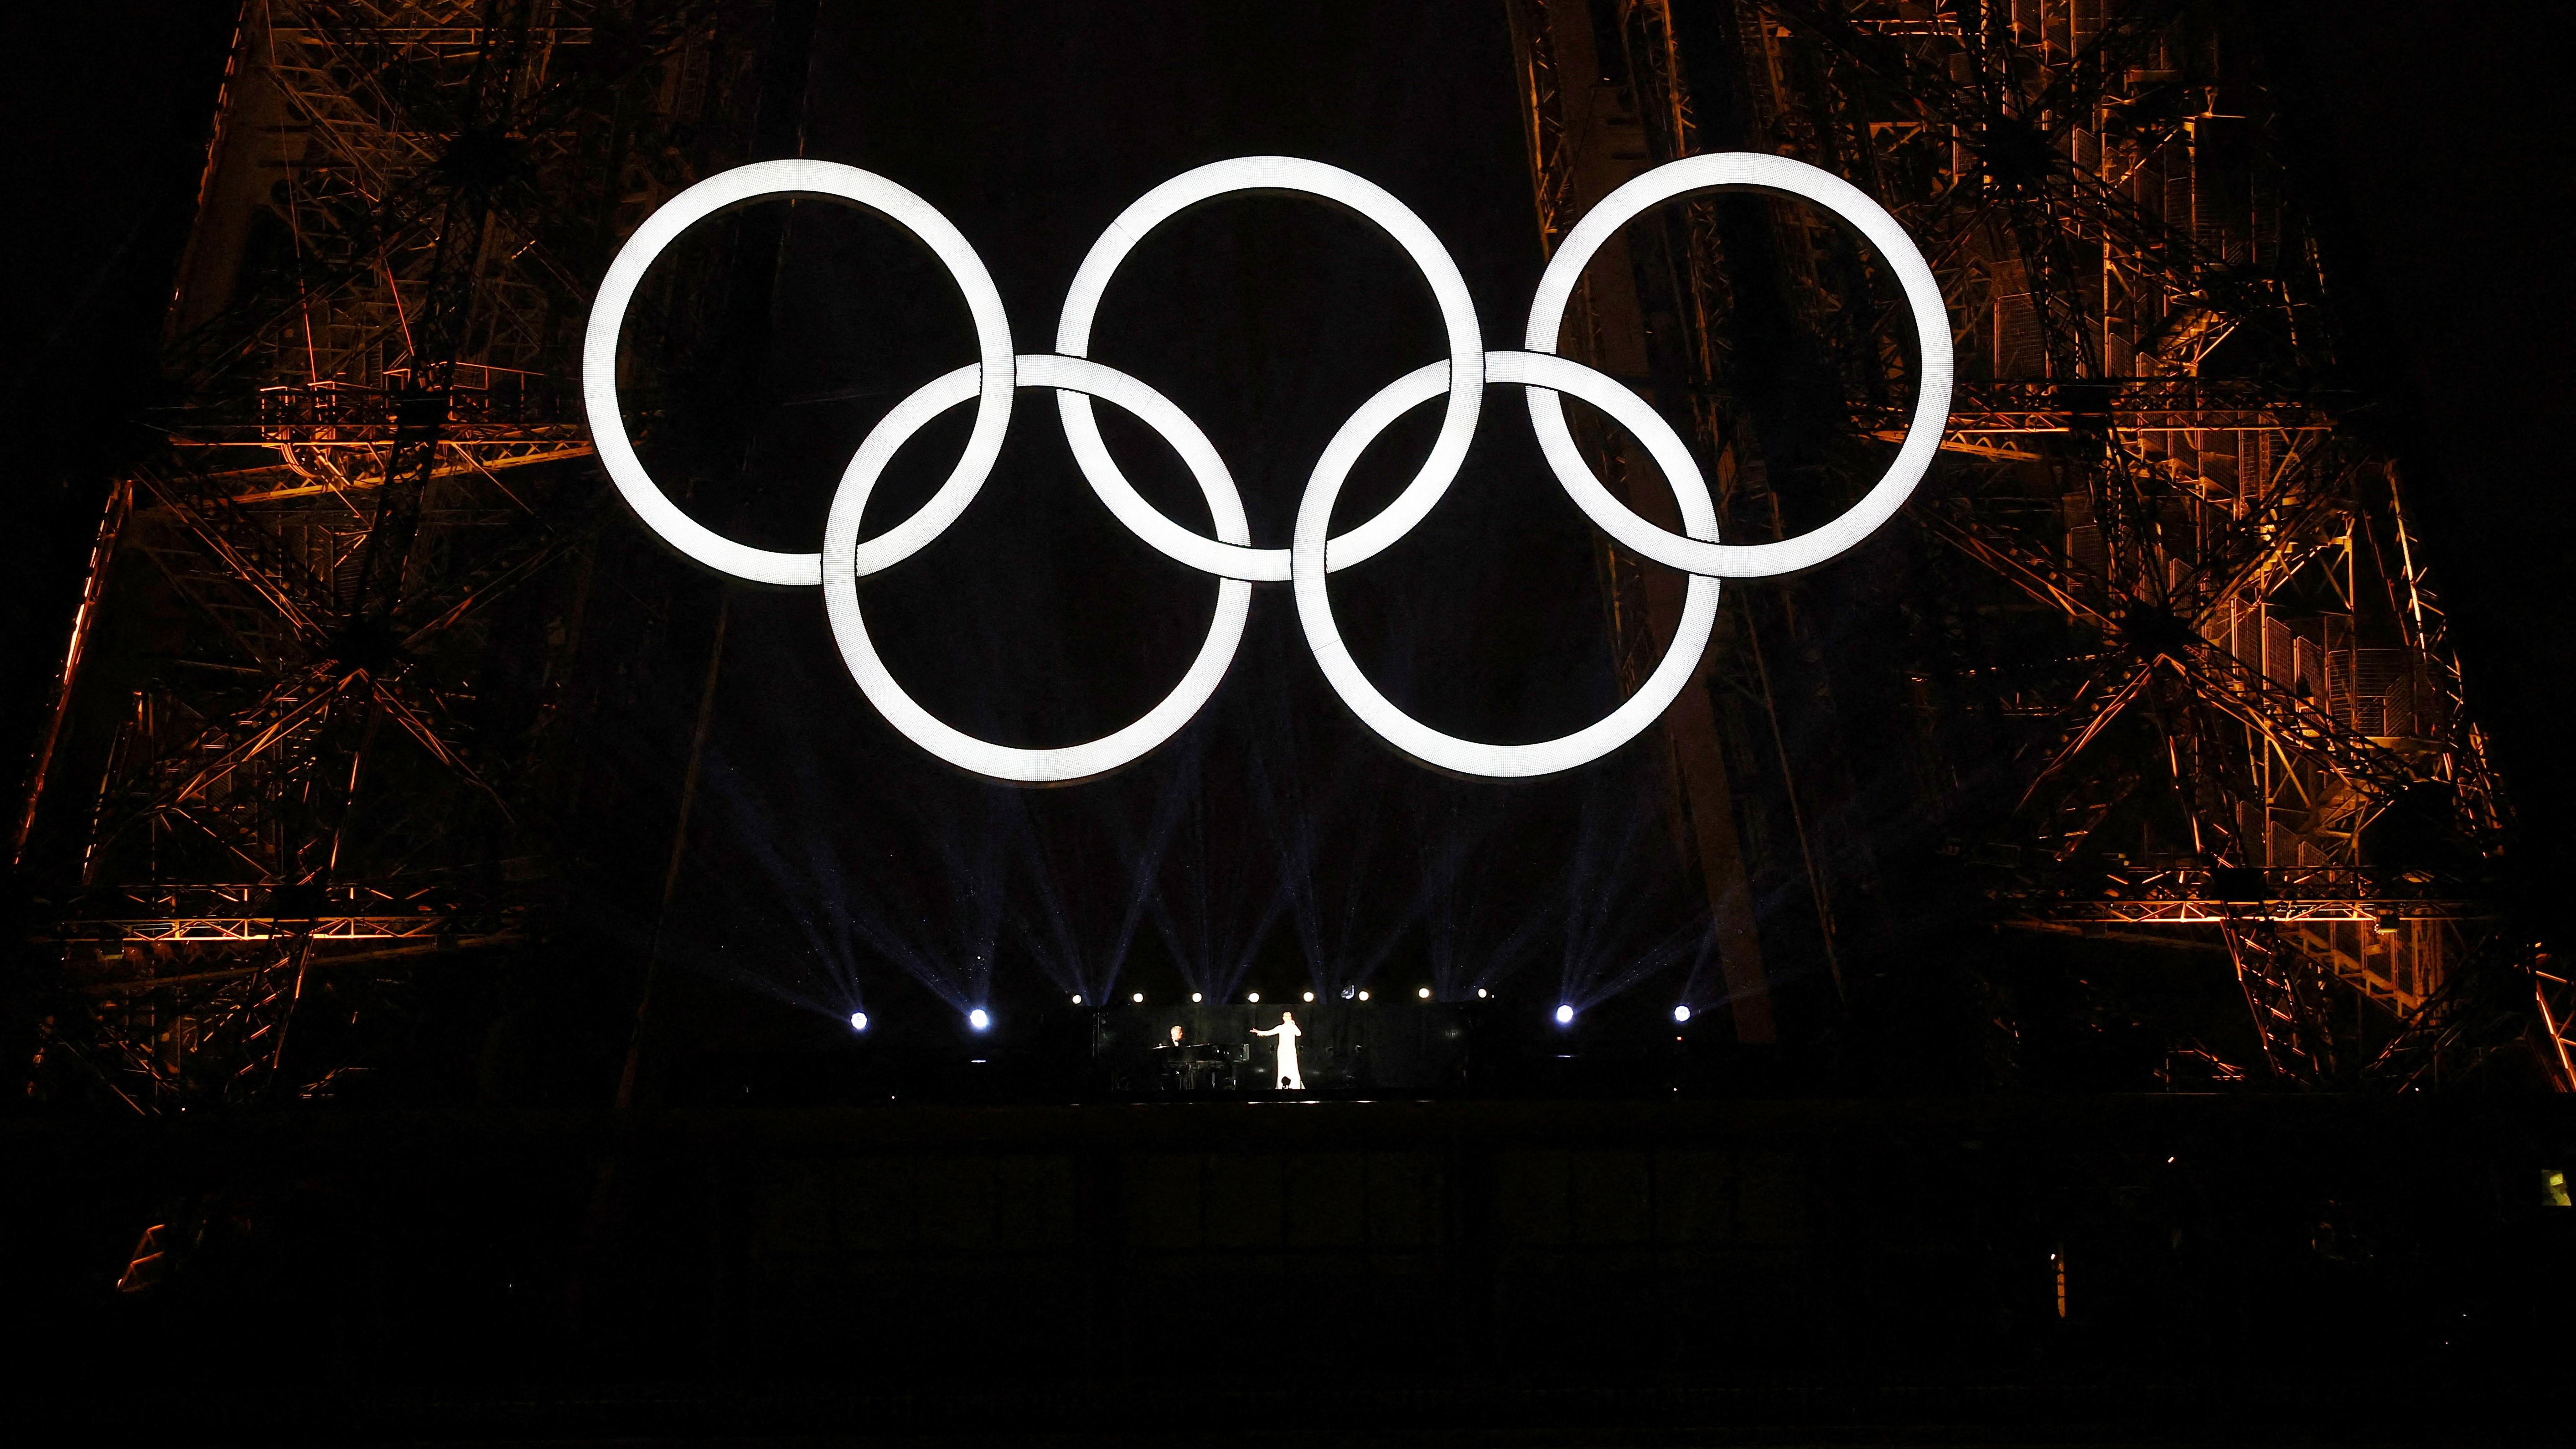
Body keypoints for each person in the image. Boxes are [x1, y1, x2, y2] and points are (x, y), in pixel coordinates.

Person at [1250, 1010, 1304, 1091]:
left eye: (1289, 1016)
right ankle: (1281, 1086)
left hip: (1291, 1051)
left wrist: (1294, 1025)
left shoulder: (1293, 1027)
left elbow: (1299, 1034)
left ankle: (1295, 1087)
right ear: (1283, 1018)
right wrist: (1259, 1032)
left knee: (1293, 1068)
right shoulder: (1281, 1028)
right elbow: (1269, 1032)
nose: (1288, 1018)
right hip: (1283, 1051)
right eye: (1286, 1016)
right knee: (1282, 1069)